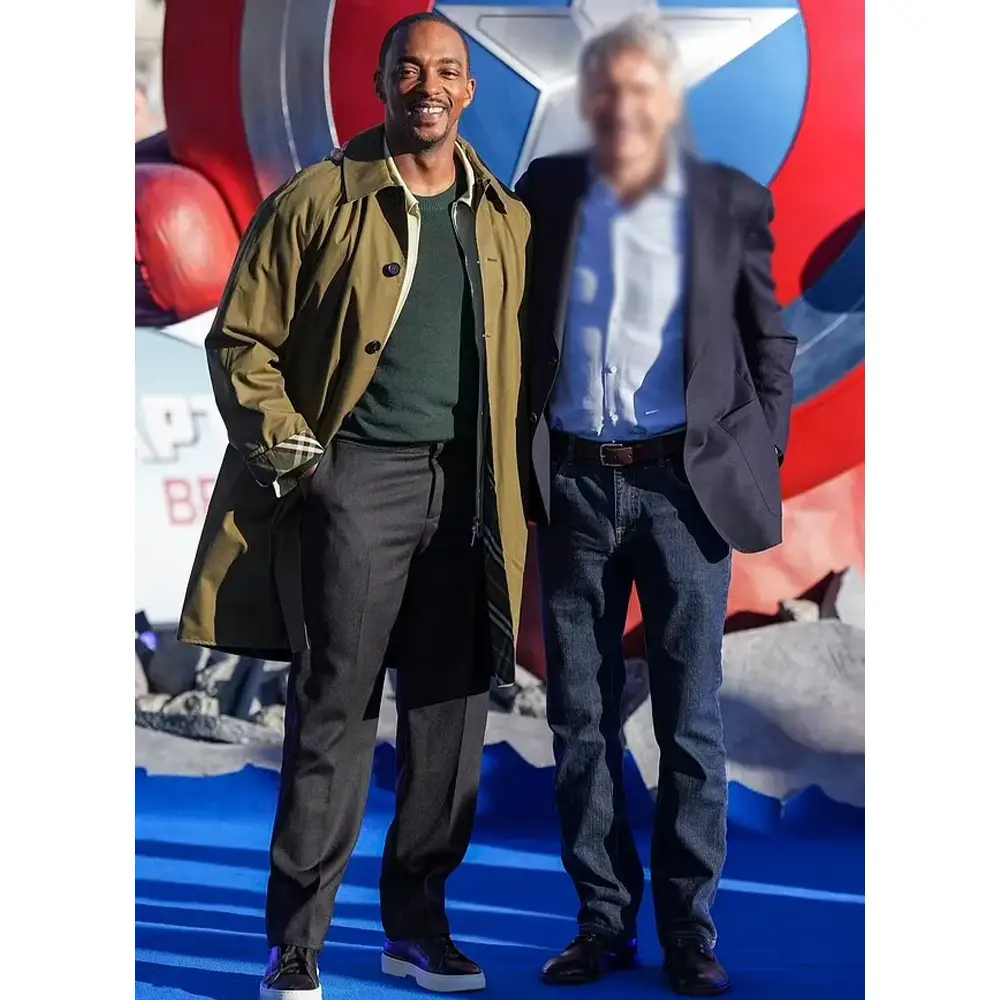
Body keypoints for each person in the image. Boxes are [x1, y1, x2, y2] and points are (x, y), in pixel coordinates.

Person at [177, 13, 532, 999]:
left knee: (448, 720)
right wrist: (305, 462)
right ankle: (296, 942)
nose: (429, 86)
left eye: (447, 71)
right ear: (380, 83)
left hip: (469, 493)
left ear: (469, 92)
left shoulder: (504, 218)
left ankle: (418, 928)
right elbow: (240, 343)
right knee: (332, 712)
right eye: (409, 69)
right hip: (355, 483)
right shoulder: (317, 200)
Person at [515, 12, 796, 996]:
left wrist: (755, 452)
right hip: (574, 488)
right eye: (607, 88)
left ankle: (689, 932)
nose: (623, 106)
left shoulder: (730, 201)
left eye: (642, 88)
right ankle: (602, 922)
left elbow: (768, 339)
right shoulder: (546, 193)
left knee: (690, 725)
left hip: (683, 490)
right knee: (578, 719)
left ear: (669, 100)